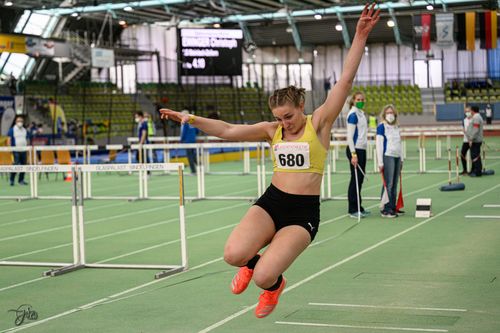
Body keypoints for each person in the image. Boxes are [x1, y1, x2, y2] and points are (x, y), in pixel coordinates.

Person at [159, 4, 379, 318]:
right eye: (278, 117)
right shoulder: (271, 130)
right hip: (271, 202)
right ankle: (251, 264)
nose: (284, 123)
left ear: (301, 105)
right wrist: (190, 118)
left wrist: (359, 35)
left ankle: (274, 287)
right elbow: (227, 129)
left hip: (302, 212)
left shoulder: (319, 124)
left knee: (264, 276)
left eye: (288, 116)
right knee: (233, 254)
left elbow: (344, 81)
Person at [376, 105, 403, 218]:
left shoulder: (397, 127)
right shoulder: (382, 127)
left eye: (392, 112)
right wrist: (380, 162)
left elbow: (400, 144)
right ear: (384, 115)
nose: (390, 115)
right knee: (389, 183)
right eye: (388, 113)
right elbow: (379, 145)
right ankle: (386, 209)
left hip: (397, 157)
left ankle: (392, 206)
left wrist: (401, 159)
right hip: (388, 156)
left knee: (394, 183)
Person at [346, 91, 370, 218]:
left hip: (362, 149)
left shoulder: (361, 114)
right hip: (355, 150)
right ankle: (353, 209)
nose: (360, 101)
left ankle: (359, 207)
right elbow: (350, 137)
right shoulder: (353, 115)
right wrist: (353, 154)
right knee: (355, 180)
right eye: (358, 99)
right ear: (353, 101)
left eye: (362, 99)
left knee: (359, 180)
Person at [7, 116, 29, 186]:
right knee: (15, 165)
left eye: (21, 121)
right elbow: (8, 140)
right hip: (15, 150)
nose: (20, 122)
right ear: (16, 122)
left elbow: (27, 140)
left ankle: (21, 180)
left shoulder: (24, 130)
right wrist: (10, 149)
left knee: (24, 166)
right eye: (19, 121)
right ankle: (11, 180)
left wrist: (27, 149)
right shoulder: (12, 129)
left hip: (24, 150)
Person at [466, 106, 483, 177]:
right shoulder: (475, 117)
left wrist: (471, 139)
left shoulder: (476, 117)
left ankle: (477, 172)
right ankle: (473, 170)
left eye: (470, 111)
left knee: (475, 156)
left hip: (475, 140)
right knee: (474, 156)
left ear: (472, 111)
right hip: (475, 140)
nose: (469, 112)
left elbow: (475, 130)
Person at [460, 106, 473, 175]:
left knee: (473, 156)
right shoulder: (464, 120)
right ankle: (464, 170)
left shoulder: (474, 119)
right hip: (465, 140)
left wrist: (471, 139)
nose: (467, 113)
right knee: (462, 154)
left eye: (468, 111)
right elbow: (463, 129)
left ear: (471, 111)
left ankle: (472, 170)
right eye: (466, 112)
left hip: (473, 141)